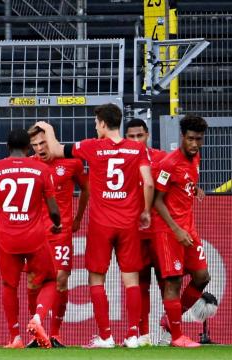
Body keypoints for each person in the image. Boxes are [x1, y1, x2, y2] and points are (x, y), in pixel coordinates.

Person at [34, 103, 154, 348]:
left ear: (101, 123)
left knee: (96, 279)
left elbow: (56, 149)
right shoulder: (137, 148)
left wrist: (47, 128)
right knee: (131, 280)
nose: (94, 127)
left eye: (95, 123)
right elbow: (149, 183)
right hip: (128, 221)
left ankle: (106, 336)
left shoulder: (91, 146)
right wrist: (146, 211)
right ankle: (133, 335)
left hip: (101, 224)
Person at [0, 129, 62, 349]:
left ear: (8, 147)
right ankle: (37, 318)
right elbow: (53, 209)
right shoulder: (41, 169)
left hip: (7, 239)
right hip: (34, 237)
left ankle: (15, 337)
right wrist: (57, 224)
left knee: (9, 286)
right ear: (29, 148)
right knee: (50, 280)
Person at [27, 125, 90, 348]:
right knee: (33, 283)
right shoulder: (30, 164)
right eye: (34, 145)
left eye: (42, 143)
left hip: (60, 231)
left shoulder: (72, 162)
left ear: (51, 141)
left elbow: (86, 189)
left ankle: (54, 333)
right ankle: (37, 333)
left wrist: (78, 218)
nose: (39, 149)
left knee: (61, 280)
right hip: (34, 234)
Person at [152, 114, 211, 348]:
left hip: (189, 228)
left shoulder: (196, 158)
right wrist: (176, 230)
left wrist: (194, 188)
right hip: (169, 231)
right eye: (190, 139)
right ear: (182, 137)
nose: (195, 144)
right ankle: (177, 336)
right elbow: (157, 201)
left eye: (199, 139)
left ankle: (170, 320)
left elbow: (185, 180)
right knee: (173, 282)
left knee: (202, 277)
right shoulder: (169, 164)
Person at [124, 119, 166, 346]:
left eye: (139, 136)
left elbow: (174, 182)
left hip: (158, 230)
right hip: (134, 231)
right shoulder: (120, 160)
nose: (136, 140)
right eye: (131, 136)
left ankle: (170, 331)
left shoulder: (161, 158)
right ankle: (143, 333)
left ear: (147, 135)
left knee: (167, 282)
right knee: (140, 284)